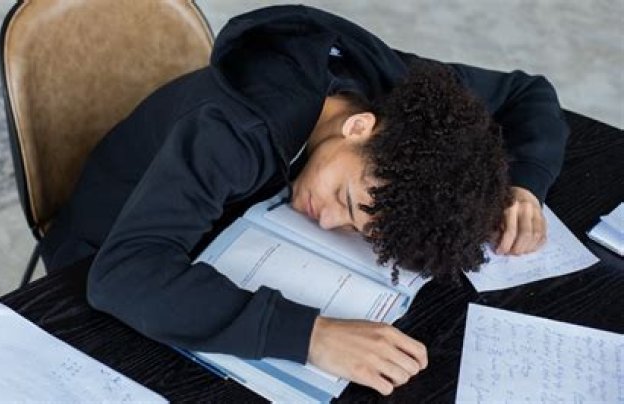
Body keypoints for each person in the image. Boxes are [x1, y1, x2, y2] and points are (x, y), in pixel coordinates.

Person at [39, 5, 568, 396]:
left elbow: (528, 95)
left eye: (359, 230)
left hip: (225, 230)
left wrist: (523, 185)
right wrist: (312, 336)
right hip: (98, 255)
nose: (328, 220)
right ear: (359, 127)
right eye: (348, 201)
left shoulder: (395, 96)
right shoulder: (232, 132)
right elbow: (124, 274)